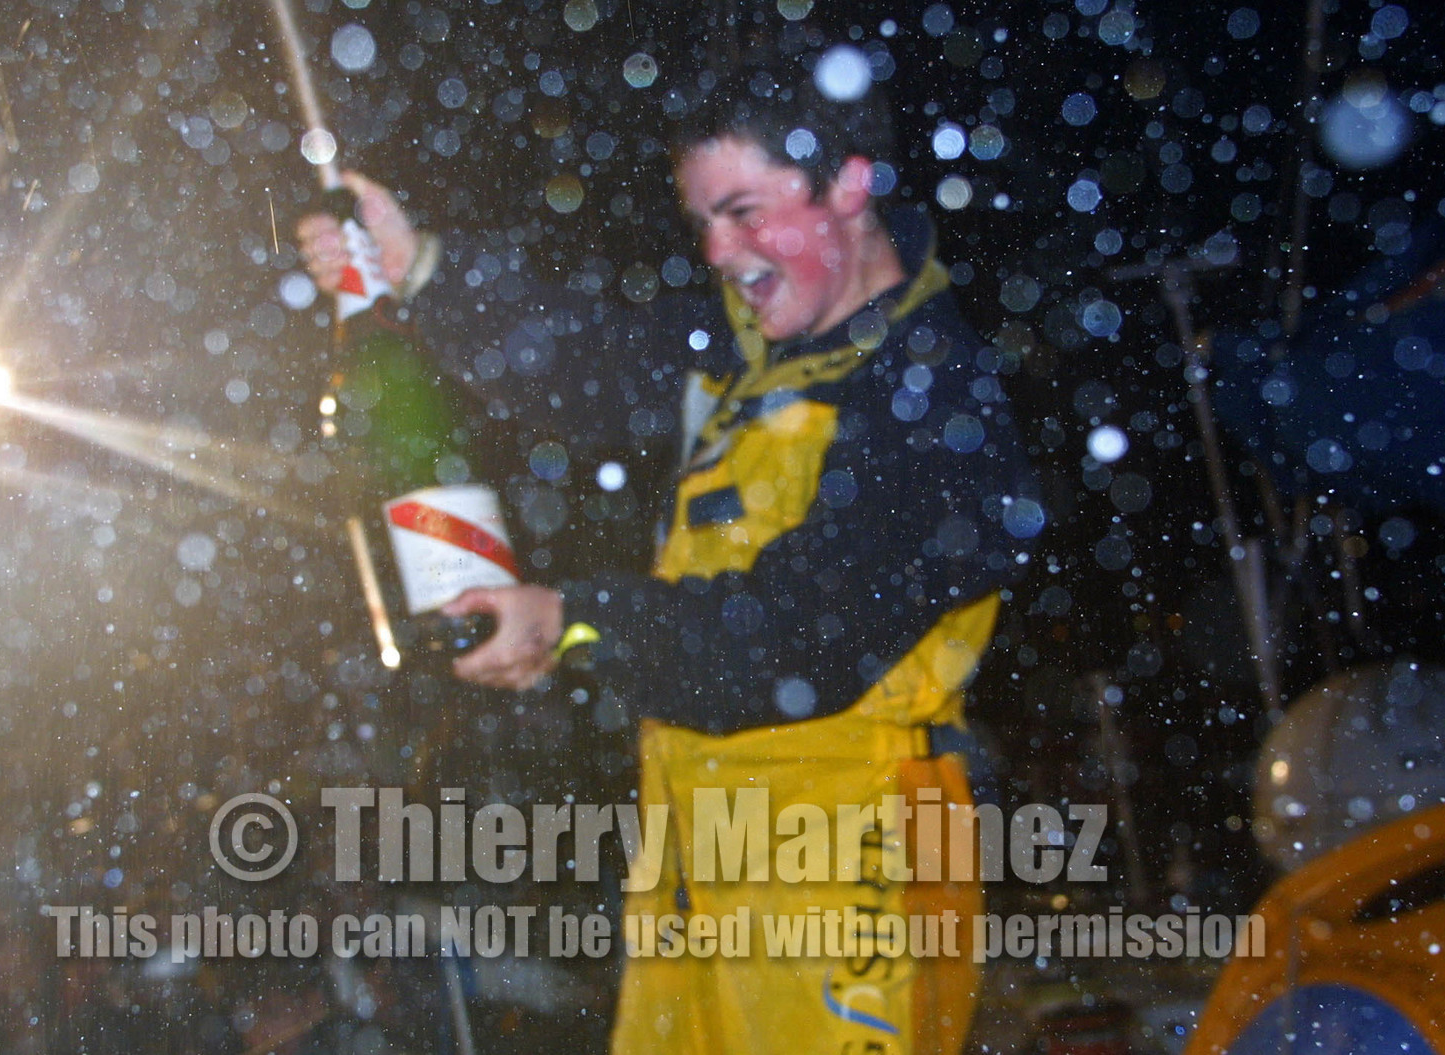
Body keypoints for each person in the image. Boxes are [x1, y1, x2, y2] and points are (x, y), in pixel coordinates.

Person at [298, 53, 1040, 1055]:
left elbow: (791, 639)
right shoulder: (748, 351)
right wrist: (419, 266)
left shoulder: (938, 396)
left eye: (743, 212)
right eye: (703, 222)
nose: (720, 251)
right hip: (698, 851)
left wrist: (573, 619)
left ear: (851, 184)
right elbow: (578, 360)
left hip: (859, 859)